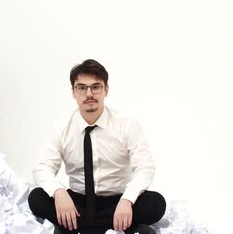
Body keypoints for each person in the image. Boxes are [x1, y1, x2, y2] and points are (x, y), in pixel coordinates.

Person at [28, 59, 166, 234]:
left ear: (106, 90)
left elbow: (145, 167)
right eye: (82, 87)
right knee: (37, 198)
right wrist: (59, 193)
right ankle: (124, 228)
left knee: (156, 203)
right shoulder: (62, 126)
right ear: (73, 92)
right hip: (78, 203)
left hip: (117, 202)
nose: (89, 93)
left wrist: (128, 200)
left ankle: (74, 228)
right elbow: (43, 167)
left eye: (96, 86)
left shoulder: (127, 124)